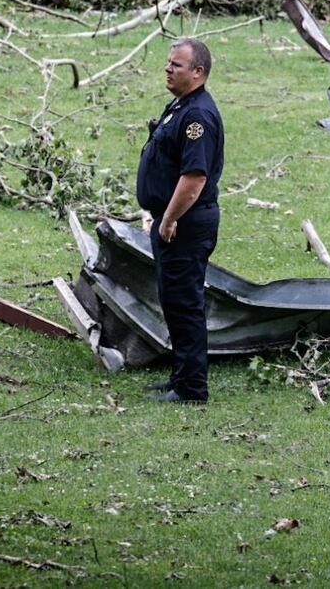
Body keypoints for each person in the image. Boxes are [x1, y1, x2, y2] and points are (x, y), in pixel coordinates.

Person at [135, 38, 224, 403]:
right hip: (172, 221)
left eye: (177, 65)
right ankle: (180, 376)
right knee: (173, 300)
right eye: (168, 63)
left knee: (185, 303)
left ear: (198, 72)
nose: (168, 69)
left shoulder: (198, 117)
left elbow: (194, 178)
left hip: (185, 224)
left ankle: (191, 389)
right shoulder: (180, 105)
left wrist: (168, 220)